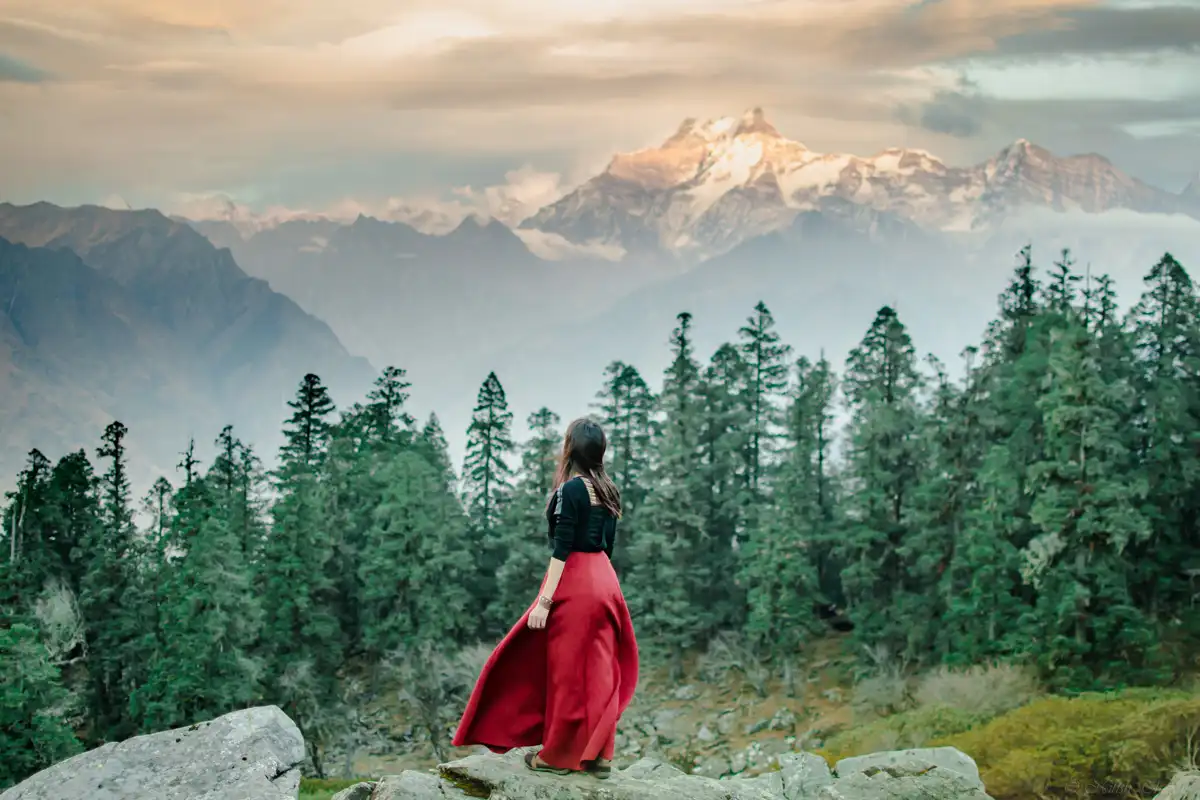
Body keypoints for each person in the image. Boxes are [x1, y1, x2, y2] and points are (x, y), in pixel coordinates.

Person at [451, 417, 639, 779]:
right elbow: (608, 547)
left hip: (577, 581)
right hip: (606, 583)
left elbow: (562, 548)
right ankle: (600, 755)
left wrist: (545, 601)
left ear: (570, 449)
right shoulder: (610, 490)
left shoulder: (571, 490)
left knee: (566, 672)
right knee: (600, 670)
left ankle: (558, 756)